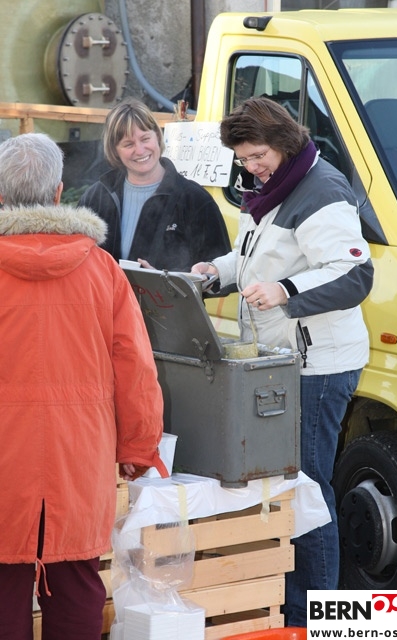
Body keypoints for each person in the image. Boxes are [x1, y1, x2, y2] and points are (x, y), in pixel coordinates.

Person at [192, 97, 374, 627]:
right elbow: (255, 259)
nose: (252, 168)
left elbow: (353, 274)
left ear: (285, 143)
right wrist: (216, 273)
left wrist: (286, 290)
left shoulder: (322, 191)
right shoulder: (275, 188)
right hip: (283, 361)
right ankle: (291, 610)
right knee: (294, 489)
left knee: (307, 491)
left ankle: (314, 621)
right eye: (244, 159)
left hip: (318, 366)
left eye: (258, 156)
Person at [0, 132, 166, 640]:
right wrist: (138, 447)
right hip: (80, 456)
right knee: (76, 583)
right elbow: (135, 368)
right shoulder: (101, 269)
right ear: (58, 192)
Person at [78, 98, 231, 270]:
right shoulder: (95, 199)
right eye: (128, 144)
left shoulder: (195, 200)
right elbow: (77, 263)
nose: (140, 150)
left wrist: (162, 281)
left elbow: (218, 275)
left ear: (157, 136)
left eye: (145, 139)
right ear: (114, 150)